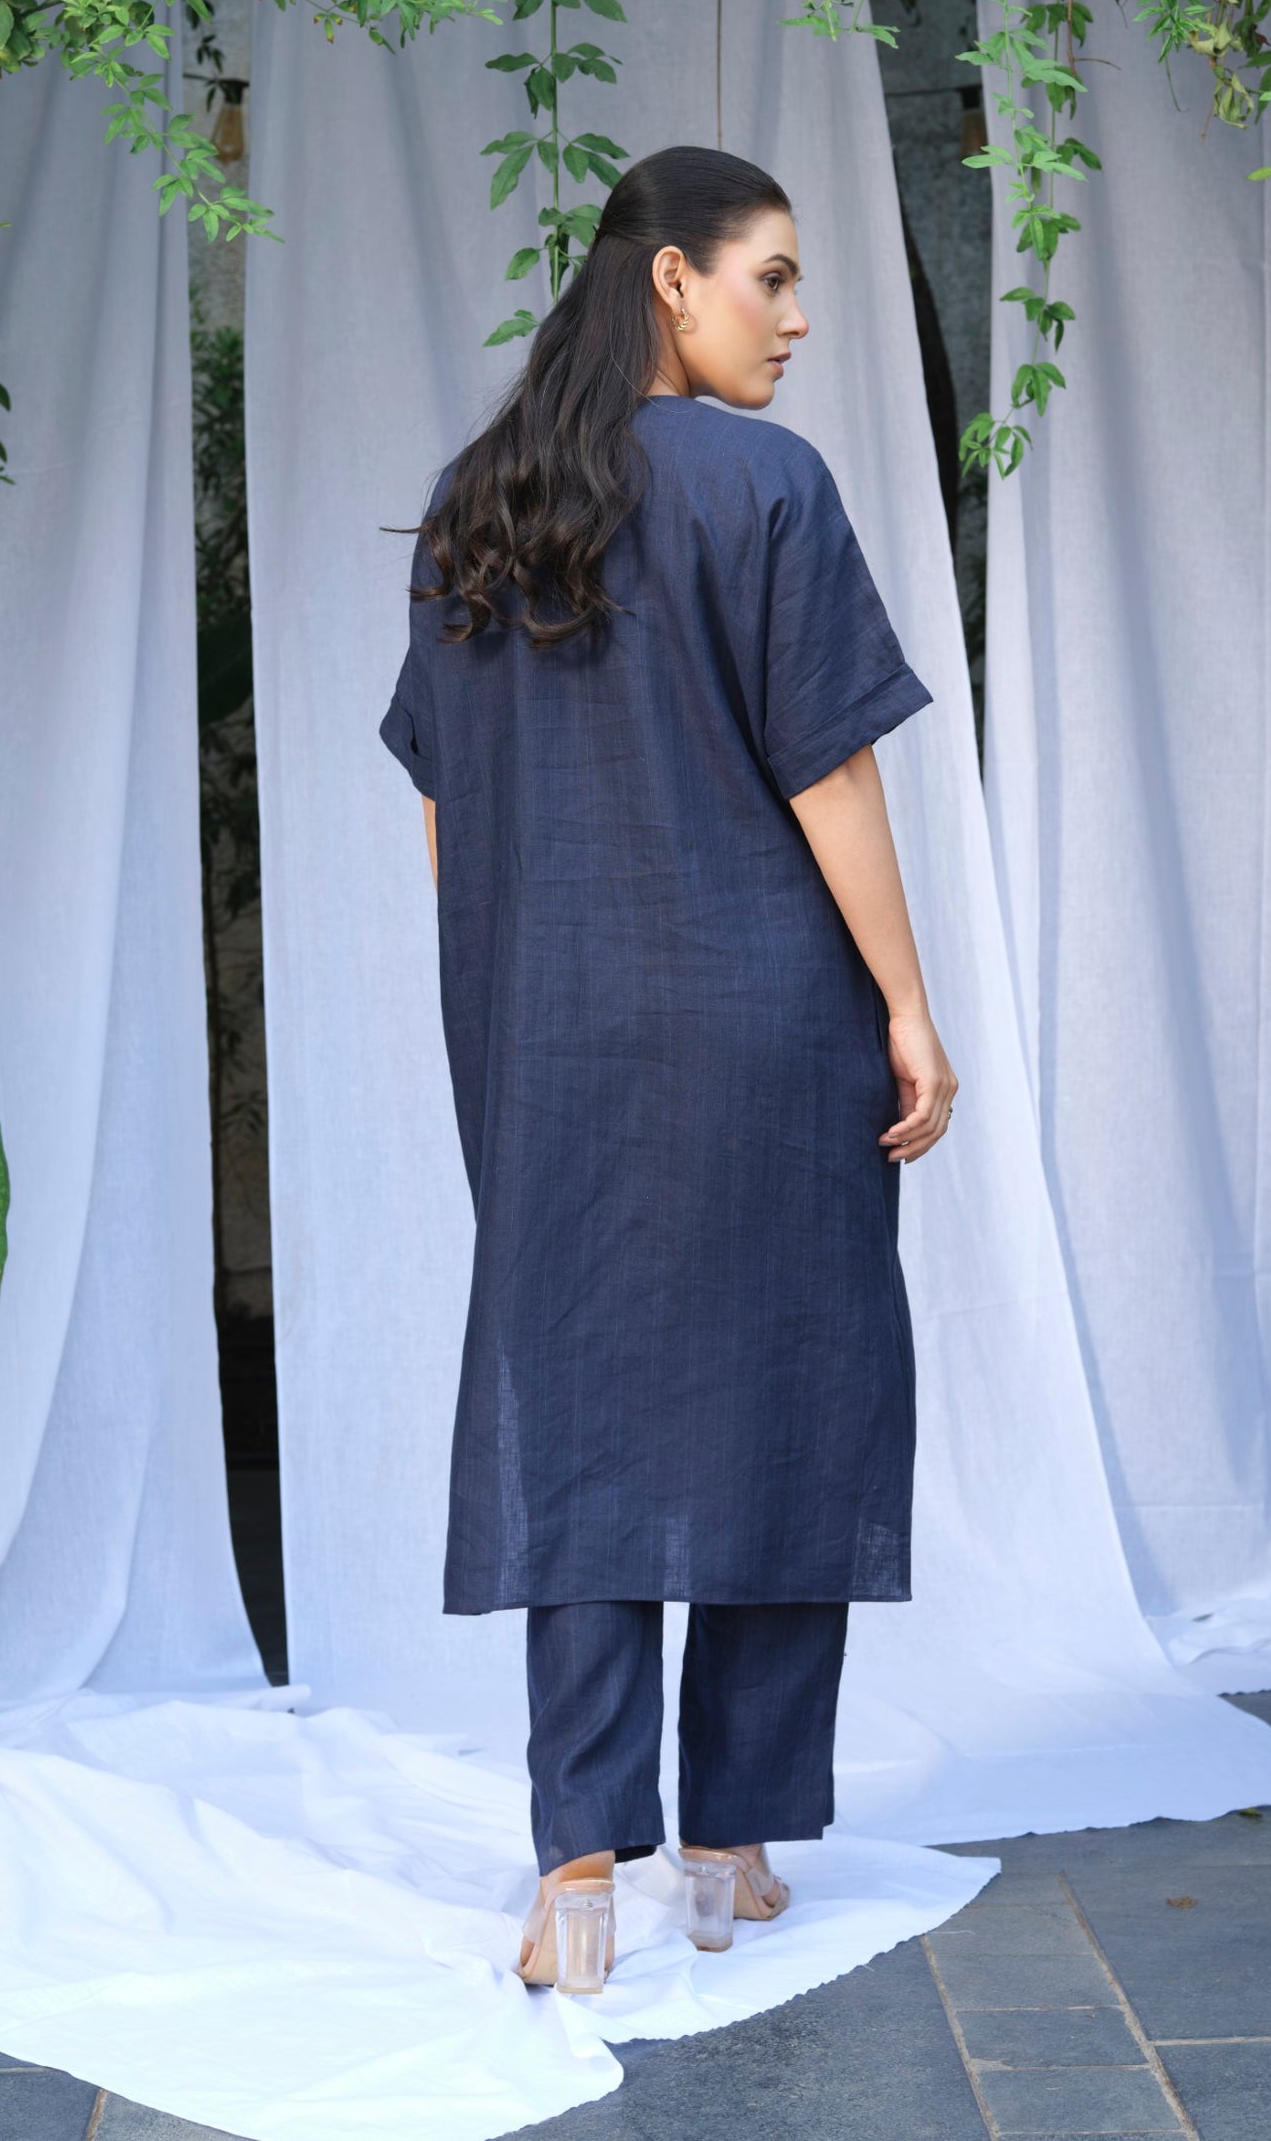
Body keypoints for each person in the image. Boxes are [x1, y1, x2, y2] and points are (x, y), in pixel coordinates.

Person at [379, 144, 956, 1987]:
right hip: (764, 1020)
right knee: (792, 1392)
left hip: (553, 1036)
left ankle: (575, 1873)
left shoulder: (480, 502)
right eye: (768, 277)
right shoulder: (765, 486)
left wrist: (512, 997)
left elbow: (446, 804)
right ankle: (724, 1848)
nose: (794, 319)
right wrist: (906, 1002)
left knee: (580, 1413)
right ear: (669, 281)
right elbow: (828, 770)